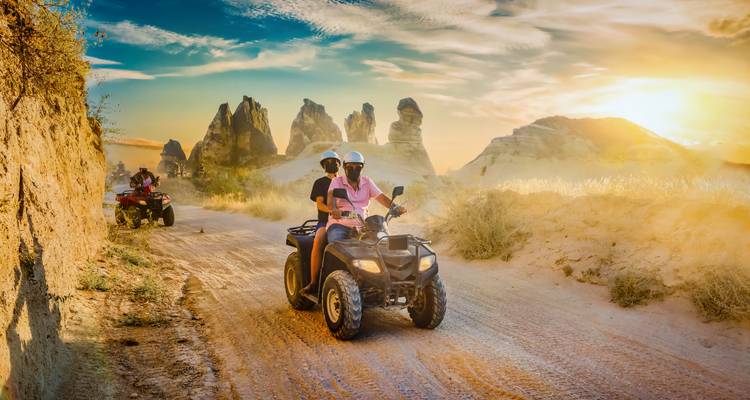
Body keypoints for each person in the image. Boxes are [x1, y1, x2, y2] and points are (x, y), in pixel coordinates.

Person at [326, 151, 406, 243]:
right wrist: (334, 209)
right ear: (344, 166)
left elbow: (381, 198)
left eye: (358, 167)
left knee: (383, 244)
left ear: (362, 167)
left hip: (364, 227)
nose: (354, 170)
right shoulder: (336, 181)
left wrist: (395, 207)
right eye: (350, 167)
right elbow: (330, 201)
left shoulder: (367, 182)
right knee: (337, 245)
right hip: (340, 226)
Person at [302, 151, 340, 294]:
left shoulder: (344, 182)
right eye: (329, 161)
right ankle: (313, 282)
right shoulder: (320, 183)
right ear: (324, 165)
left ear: (340, 165)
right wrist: (331, 211)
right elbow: (319, 204)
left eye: (336, 161)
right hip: (325, 221)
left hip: (346, 221)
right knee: (319, 240)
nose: (333, 164)